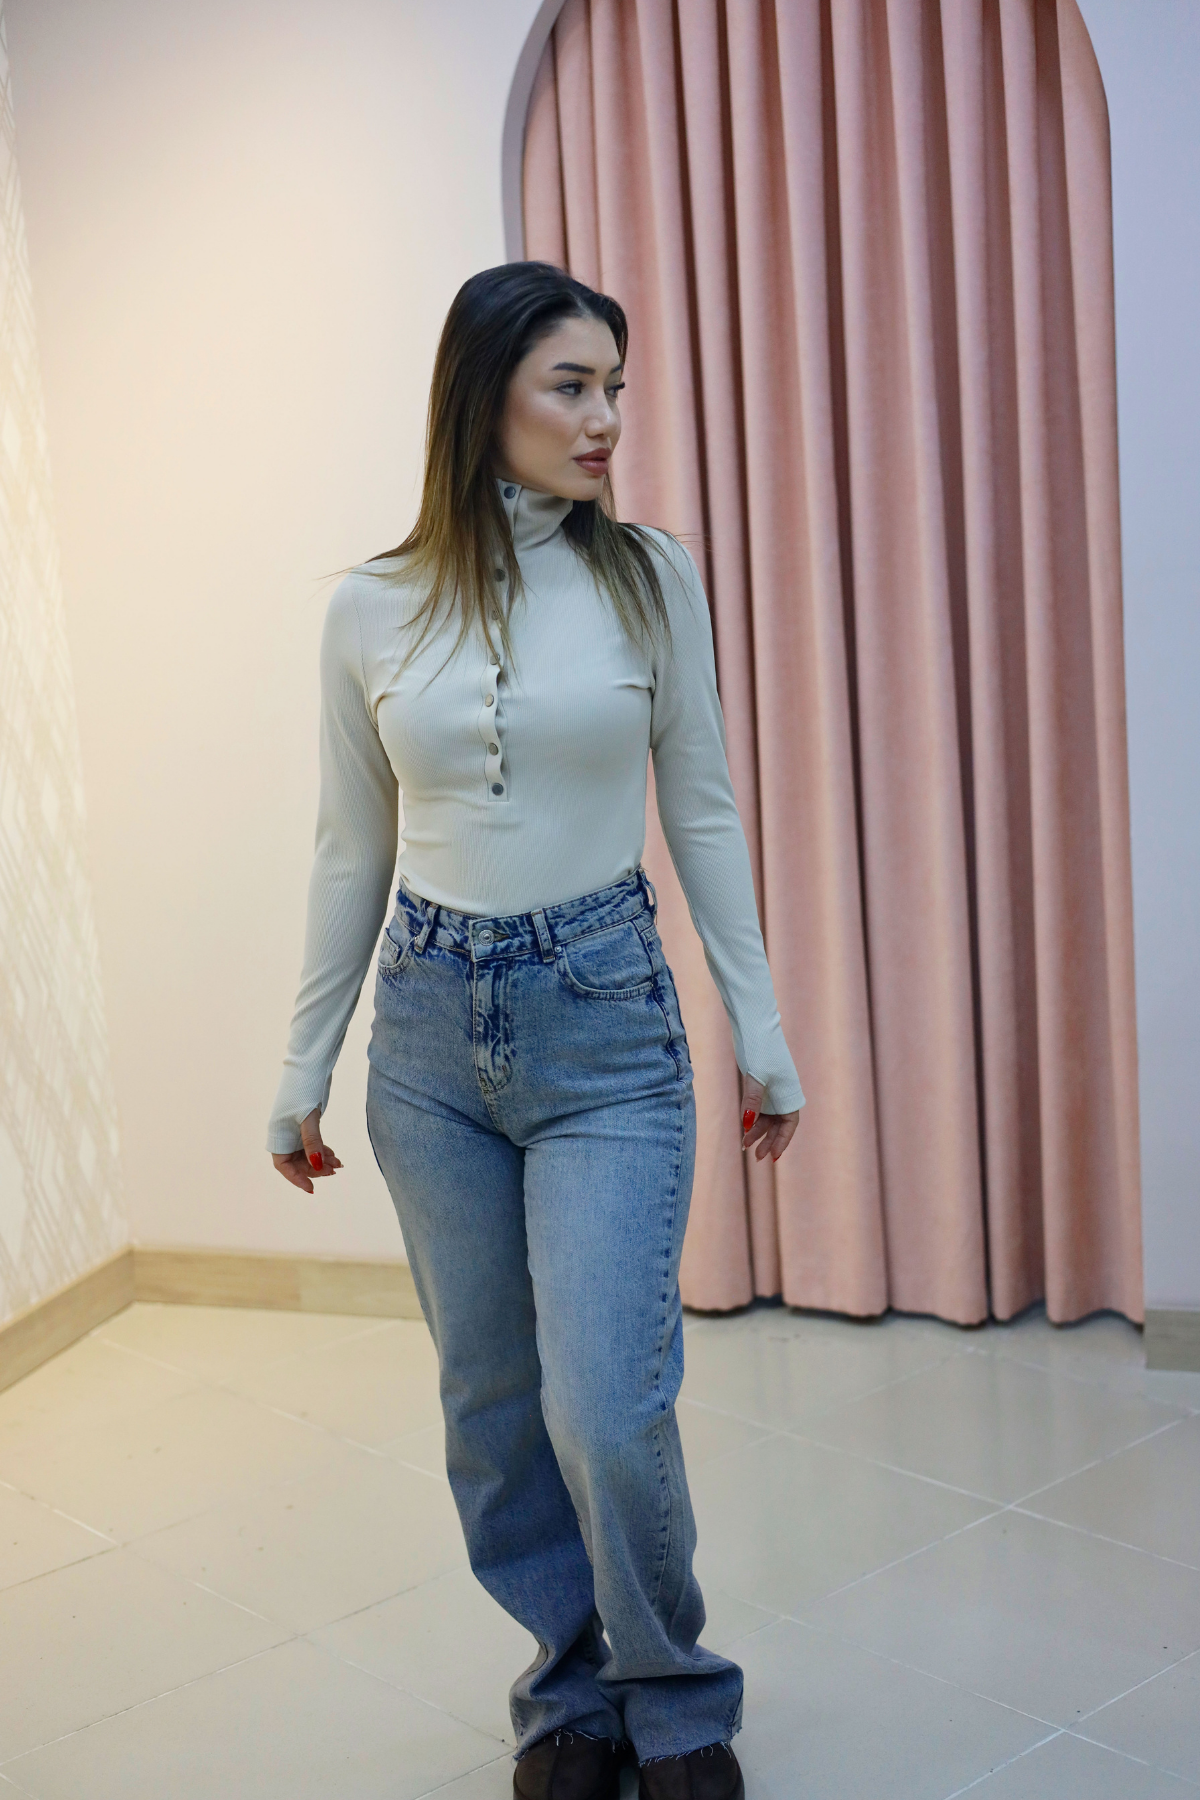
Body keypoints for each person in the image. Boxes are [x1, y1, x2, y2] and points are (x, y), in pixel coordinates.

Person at [268, 262, 803, 1800]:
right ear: (481, 395)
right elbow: (349, 850)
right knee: (494, 1412)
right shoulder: (369, 608)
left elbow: (703, 809)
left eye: (615, 387)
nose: (606, 419)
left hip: (604, 1030)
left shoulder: (650, 578)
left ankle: (676, 1697)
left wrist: (762, 1026)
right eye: (572, 386)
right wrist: (302, 1065)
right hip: (429, 1039)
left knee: (608, 1409)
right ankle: (566, 1694)